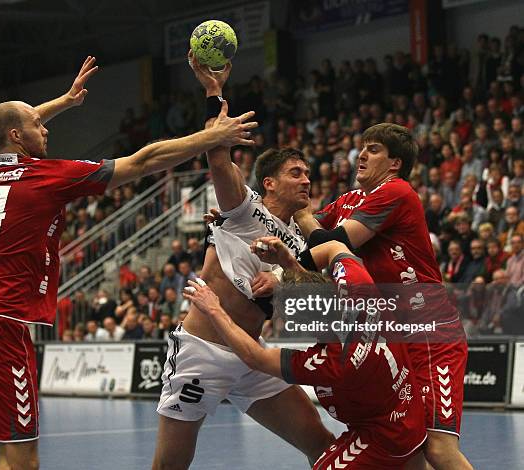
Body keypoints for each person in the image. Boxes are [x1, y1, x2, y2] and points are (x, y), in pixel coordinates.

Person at [0, 56, 257, 470]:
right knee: (21, 461)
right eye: (39, 125)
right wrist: (210, 136)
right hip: (1, 326)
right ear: (17, 136)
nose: (46, 126)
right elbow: (141, 162)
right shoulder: (47, 178)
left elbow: (8, 123)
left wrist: (67, 101)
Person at [152, 54, 334, 470]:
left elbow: (315, 297)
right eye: (296, 173)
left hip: (253, 355)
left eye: (308, 174)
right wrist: (214, 92)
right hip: (203, 350)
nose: (306, 180)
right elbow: (217, 157)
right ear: (268, 182)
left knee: (323, 445)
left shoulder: (303, 240)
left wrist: (286, 280)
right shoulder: (244, 207)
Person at [295, 123, 473, 469]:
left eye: (373, 149)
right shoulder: (349, 200)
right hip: (393, 337)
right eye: (362, 147)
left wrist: (301, 213)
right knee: (408, 445)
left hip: (430, 333)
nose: (361, 154)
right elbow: (297, 232)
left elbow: (330, 243)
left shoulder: (398, 191)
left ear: (395, 163)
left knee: (438, 448)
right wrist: (239, 221)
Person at [183, 237, 427, 469]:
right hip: (408, 408)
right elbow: (334, 247)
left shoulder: (331, 362)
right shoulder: (358, 289)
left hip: (385, 435)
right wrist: (287, 263)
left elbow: (253, 356)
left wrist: (214, 310)